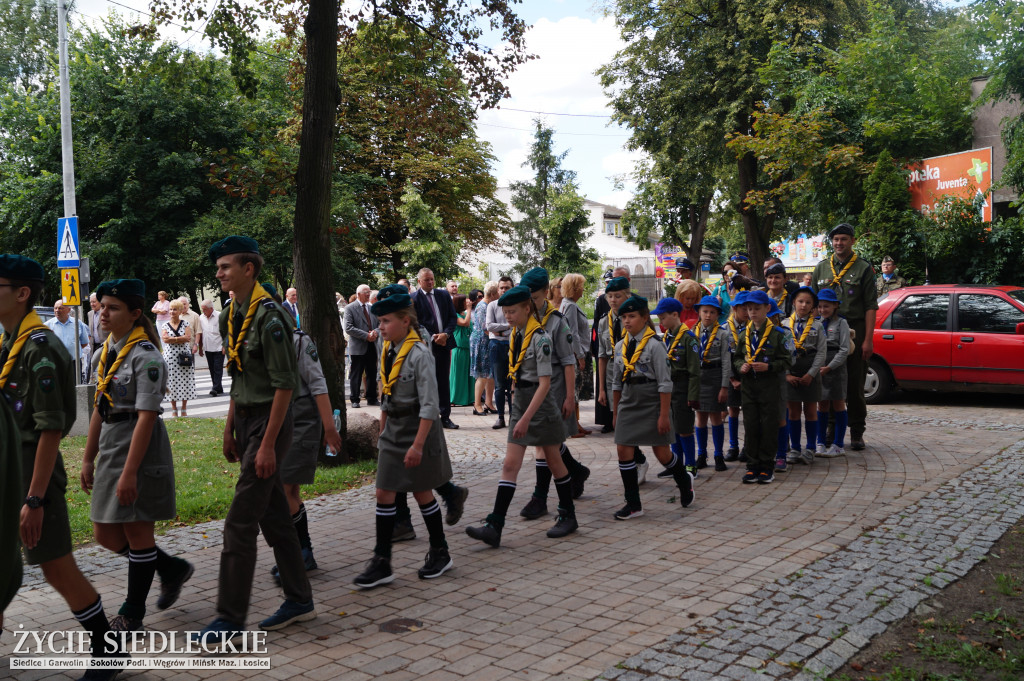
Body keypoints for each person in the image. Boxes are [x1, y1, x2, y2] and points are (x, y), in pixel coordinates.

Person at [0, 254, 122, 680]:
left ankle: (108, 649)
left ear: (22, 293)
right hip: (8, 468)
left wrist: (34, 498)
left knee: (55, 564)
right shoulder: (10, 342)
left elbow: (51, 429)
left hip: (34, 473)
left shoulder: (41, 348)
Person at [195, 236, 315, 643]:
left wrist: (266, 445)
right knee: (275, 517)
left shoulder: (270, 315)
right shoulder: (232, 313)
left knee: (239, 522)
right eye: (218, 267)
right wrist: (229, 427)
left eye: (225, 266)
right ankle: (299, 599)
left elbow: (285, 385)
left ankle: (229, 619)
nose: (219, 272)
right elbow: (239, 375)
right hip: (246, 420)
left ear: (249, 269)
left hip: (270, 424)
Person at [80, 279, 194, 633]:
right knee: (105, 534)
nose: (103, 313)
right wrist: (87, 457)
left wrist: (130, 473)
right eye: (101, 306)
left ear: (135, 314)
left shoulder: (147, 357)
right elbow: (100, 407)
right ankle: (170, 568)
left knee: (138, 531)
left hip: (139, 449)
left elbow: (146, 416)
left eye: (112, 308)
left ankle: (132, 614)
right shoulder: (104, 354)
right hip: (113, 445)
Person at [354, 287, 456, 587]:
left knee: (422, 490)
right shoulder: (387, 349)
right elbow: (385, 392)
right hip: (393, 429)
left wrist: (418, 446)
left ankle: (440, 552)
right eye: (380, 321)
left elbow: (429, 406)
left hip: (416, 429)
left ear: (405, 322)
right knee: (384, 492)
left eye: (386, 321)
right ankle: (382, 561)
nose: (380, 327)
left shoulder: (419, 354)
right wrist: (382, 431)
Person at [465, 285, 578, 546]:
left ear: (528, 308)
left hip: (541, 406)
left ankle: (568, 515)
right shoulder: (515, 335)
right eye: (505, 312)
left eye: (513, 311)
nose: (508, 317)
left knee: (554, 461)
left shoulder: (540, 338)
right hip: (523, 404)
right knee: (509, 464)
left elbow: (545, 384)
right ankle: (495, 525)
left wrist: (526, 418)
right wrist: (517, 405)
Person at [269, 313, 343, 584]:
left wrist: (329, 428)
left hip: (300, 417)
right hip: (274, 418)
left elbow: (317, 383)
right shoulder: (259, 340)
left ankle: (301, 553)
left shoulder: (300, 342)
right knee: (286, 489)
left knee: (287, 487)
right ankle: (301, 551)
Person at [610, 295, 695, 519]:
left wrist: (664, 415)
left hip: (652, 400)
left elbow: (665, 382)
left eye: (632, 316)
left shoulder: (655, 345)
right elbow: (616, 382)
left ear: (644, 318)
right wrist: (615, 411)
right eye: (624, 317)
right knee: (623, 449)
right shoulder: (620, 346)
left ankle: (684, 481)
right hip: (629, 401)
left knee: (662, 453)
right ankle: (633, 504)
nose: (627, 321)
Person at [517, 267, 590, 520]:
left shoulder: (556, 320)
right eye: (528, 300)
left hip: (556, 386)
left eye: (535, 298)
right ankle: (576, 471)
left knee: (546, 443)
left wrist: (570, 397)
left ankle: (540, 498)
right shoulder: (526, 320)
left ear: (545, 293)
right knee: (548, 443)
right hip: (535, 388)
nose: (532, 304)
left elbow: (568, 361)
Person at [811, 223, 877, 451]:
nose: (839, 243)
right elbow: (812, 305)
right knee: (828, 384)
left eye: (844, 239)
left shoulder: (863, 268)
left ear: (852, 240)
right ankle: (831, 428)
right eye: (836, 239)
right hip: (826, 332)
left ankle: (857, 431)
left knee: (855, 384)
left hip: (854, 330)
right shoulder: (821, 269)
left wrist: (868, 339)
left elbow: (870, 306)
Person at [733, 290, 793, 484]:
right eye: (749, 309)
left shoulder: (777, 334)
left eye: (757, 308)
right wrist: (740, 365)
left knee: (768, 425)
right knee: (750, 425)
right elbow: (737, 357)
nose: (752, 312)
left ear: (767, 308)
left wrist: (770, 367)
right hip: (749, 386)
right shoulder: (744, 334)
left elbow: (787, 360)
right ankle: (752, 466)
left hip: (770, 385)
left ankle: (767, 466)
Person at [651, 296, 701, 480]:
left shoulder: (689, 339)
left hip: (683, 387)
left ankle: (691, 465)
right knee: (672, 428)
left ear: (674, 315)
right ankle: (676, 465)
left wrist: (693, 395)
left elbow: (695, 371)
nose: (661, 321)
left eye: (663, 317)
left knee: (685, 428)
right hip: (669, 388)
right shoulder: (667, 337)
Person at [782, 287, 827, 470]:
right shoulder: (785, 324)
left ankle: (809, 448)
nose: (804, 305)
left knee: (810, 410)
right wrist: (786, 374)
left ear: (813, 307)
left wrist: (812, 373)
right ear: (794, 302)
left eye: (808, 303)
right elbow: (781, 352)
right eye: (800, 301)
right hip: (791, 371)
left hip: (810, 372)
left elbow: (822, 352)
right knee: (793, 412)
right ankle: (795, 448)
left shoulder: (818, 325)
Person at [411, 268, 459, 430]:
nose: (430, 282)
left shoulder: (443, 295)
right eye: (427, 280)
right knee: (426, 380)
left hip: (444, 344)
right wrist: (433, 337)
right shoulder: (414, 299)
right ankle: (427, 417)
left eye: (432, 279)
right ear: (419, 281)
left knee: (443, 380)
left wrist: (445, 334)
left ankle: (445, 417)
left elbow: (452, 317)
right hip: (426, 346)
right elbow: (416, 323)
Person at [691, 296, 731, 473]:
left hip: (715, 376)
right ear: (699, 312)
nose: (708, 315)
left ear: (717, 315)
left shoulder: (723, 334)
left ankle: (718, 455)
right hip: (698, 377)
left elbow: (726, 361)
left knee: (715, 417)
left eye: (712, 312)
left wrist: (724, 386)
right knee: (700, 418)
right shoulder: (692, 332)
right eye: (705, 311)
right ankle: (701, 455)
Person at [592, 265, 632, 431]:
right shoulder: (603, 322)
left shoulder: (632, 319)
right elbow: (601, 356)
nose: (613, 300)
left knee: (629, 420)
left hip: (630, 372)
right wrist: (601, 389)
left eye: (618, 296)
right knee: (617, 420)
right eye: (610, 296)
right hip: (610, 374)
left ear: (627, 296)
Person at [815, 289, 851, 457]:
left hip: (836, 368)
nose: (823, 310)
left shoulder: (842, 323)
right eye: (820, 306)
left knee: (838, 404)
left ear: (836, 306)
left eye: (827, 306)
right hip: (820, 366)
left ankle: (838, 444)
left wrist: (830, 366)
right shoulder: (816, 322)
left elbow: (844, 350)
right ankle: (820, 441)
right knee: (821, 404)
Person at [559, 273, 591, 437]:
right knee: (574, 390)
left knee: (575, 389)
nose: (583, 289)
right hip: (575, 353)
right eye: (581, 286)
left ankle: (576, 423)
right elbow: (573, 332)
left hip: (574, 352)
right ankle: (572, 425)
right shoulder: (570, 305)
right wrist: (580, 355)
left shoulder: (567, 304)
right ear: (575, 288)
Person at [723, 291, 750, 462]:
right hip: (732, 375)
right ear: (734, 308)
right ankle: (733, 445)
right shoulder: (725, 329)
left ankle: (748, 446)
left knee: (748, 411)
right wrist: (732, 378)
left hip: (749, 375)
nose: (748, 312)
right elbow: (725, 357)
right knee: (733, 410)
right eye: (744, 309)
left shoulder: (752, 327)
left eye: (750, 308)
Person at [486, 276, 515, 429]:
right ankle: (500, 417)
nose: (504, 290)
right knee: (499, 384)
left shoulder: (517, 305)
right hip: (496, 346)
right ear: (497, 289)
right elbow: (489, 326)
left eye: (507, 288)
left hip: (512, 346)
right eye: (501, 288)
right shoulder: (492, 305)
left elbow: (517, 326)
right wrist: (507, 328)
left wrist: (502, 330)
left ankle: (513, 417)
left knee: (512, 384)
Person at [344, 285, 379, 408]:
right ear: (358, 294)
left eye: (369, 292)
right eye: (366, 292)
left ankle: (372, 397)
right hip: (358, 346)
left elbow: (379, 324)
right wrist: (366, 335)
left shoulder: (372, 308)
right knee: (356, 373)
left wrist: (375, 332)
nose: (368, 294)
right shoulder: (350, 308)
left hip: (372, 345)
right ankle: (355, 398)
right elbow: (348, 328)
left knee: (372, 372)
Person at [159, 300, 196, 418]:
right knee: (171, 382)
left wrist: (172, 339)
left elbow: (188, 338)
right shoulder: (165, 325)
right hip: (170, 357)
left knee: (185, 380)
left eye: (174, 309)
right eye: (170, 309)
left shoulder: (185, 323)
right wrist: (179, 338)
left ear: (180, 311)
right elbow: (165, 340)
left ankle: (184, 408)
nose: (172, 312)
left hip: (184, 355)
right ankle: (174, 409)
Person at [470, 282, 497, 416]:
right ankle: (477, 405)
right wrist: (501, 333)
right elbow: (485, 328)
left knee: (490, 375)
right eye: (497, 293)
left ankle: (489, 402)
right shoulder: (482, 306)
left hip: (488, 342)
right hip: (481, 343)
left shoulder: (489, 305)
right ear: (492, 294)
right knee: (483, 374)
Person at [46, 300, 90, 381]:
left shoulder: (77, 323)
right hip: (56, 363)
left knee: (75, 387)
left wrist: (72, 349)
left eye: (60, 308)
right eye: (55, 308)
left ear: (68, 310)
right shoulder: (47, 325)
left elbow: (84, 343)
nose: (57, 310)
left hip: (74, 363)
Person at [449, 293, 475, 406]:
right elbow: (465, 323)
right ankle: (454, 399)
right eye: (465, 301)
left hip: (468, 347)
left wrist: (467, 311)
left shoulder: (464, 313)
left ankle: (469, 398)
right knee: (458, 374)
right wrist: (469, 309)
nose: (468, 302)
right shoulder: (454, 315)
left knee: (469, 375)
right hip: (458, 348)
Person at [197, 300, 225, 396]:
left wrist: (225, 346)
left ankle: (215, 388)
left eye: (205, 309)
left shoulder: (219, 316)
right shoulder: (201, 318)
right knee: (212, 368)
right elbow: (200, 334)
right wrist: (200, 348)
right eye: (202, 309)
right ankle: (218, 388)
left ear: (211, 308)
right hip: (208, 347)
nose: (203, 311)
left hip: (219, 346)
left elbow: (226, 331)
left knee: (218, 368)